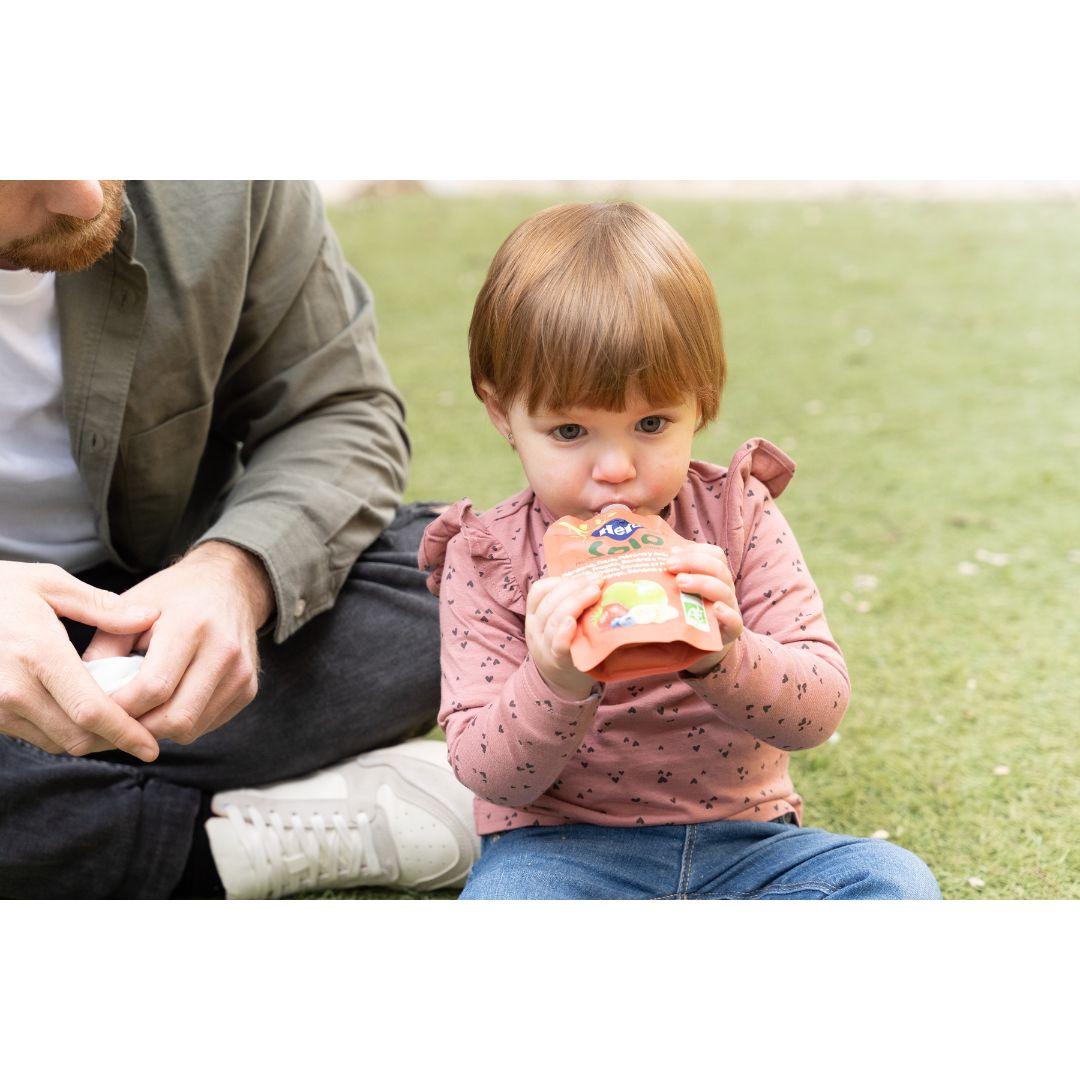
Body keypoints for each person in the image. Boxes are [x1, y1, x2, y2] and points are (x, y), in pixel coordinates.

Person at [418, 202, 941, 899]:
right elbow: (485, 770)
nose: (615, 468)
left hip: (748, 842)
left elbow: (820, 710)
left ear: (704, 401)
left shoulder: (737, 518)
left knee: (894, 884)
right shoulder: (485, 558)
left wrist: (728, 653)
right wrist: (554, 679)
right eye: (570, 431)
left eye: (652, 423)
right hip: (562, 850)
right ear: (500, 413)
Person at [0, 180, 477, 899]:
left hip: (168, 595)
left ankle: (59, 810)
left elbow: (338, 409)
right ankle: (224, 849)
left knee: (471, 580)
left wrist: (233, 575)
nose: (83, 194)